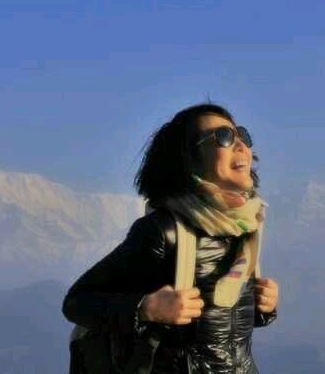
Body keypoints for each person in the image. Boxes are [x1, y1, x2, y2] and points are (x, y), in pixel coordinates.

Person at [62, 103, 279, 373]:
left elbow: (220, 327)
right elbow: (77, 302)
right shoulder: (163, 231)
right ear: (190, 159)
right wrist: (145, 308)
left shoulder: (246, 227)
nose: (241, 145)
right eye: (224, 137)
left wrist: (263, 308)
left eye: (242, 135)